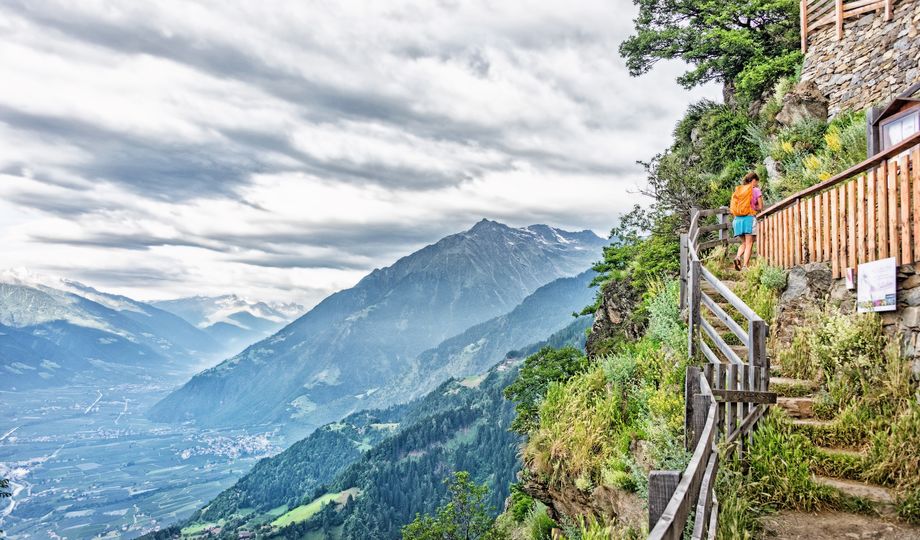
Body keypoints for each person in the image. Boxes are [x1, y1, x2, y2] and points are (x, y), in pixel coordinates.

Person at [730, 171, 763, 271]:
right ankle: (745, 266)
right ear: (753, 180)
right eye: (757, 182)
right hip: (748, 219)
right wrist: (754, 207)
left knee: (744, 243)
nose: (757, 184)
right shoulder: (756, 190)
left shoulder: (739, 190)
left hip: (737, 220)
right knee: (749, 243)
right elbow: (761, 207)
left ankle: (737, 257)